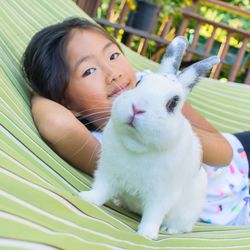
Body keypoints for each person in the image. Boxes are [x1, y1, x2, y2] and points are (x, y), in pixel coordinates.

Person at [22, 17, 249, 225]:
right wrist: (39, 93)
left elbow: (224, 152)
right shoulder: (101, 148)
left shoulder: (152, 84)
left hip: (241, 158)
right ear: (67, 103)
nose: (113, 73)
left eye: (113, 56)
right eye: (89, 71)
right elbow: (56, 125)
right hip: (229, 212)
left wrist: (166, 120)